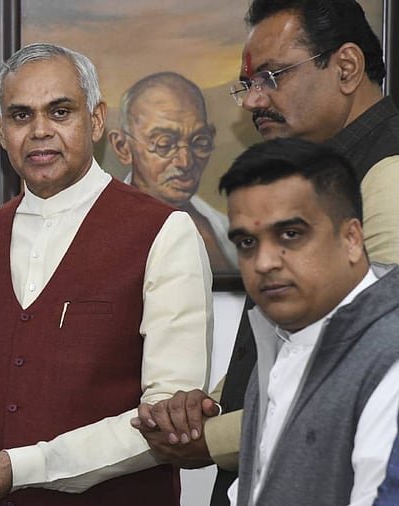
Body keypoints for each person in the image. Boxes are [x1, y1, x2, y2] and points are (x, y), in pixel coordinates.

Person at [0, 43, 213, 505]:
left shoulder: (165, 232)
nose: (40, 131)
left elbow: (166, 419)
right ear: (1, 129)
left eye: (60, 111)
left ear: (96, 120)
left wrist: (22, 467)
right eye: (21, 115)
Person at [131, 2, 399, 503]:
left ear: (345, 67)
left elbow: (363, 370)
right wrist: (207, 406)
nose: (253, 101)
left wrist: (205, 439)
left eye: (272, 76)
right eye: (248, 83)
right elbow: (299, 349)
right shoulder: (324, 171)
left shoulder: (389, 175)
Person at [219, 138, 399, 505]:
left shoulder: (388, 357)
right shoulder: (284, 339)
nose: (265, 261)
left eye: (290, 234)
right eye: (247, 242)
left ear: (351, 239)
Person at [108, 71, 237, 271]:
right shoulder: (101, 232)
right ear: (122, 147)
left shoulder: (225, 229)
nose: (185, 162)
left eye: (199, 142)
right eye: (165, 144)